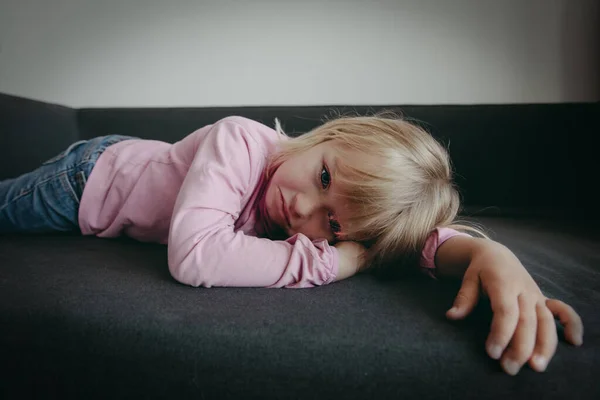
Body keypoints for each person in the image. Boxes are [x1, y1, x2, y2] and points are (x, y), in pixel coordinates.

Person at [0, 114, 583, 376]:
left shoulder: (323, 209)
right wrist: (325, 260)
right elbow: (194, 255)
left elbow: (406, 245)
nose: (304, 208)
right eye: (325, 178)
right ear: (330, 136)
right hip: (89, 179)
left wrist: (487, 254)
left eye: (333, 225)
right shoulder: (242, 140)